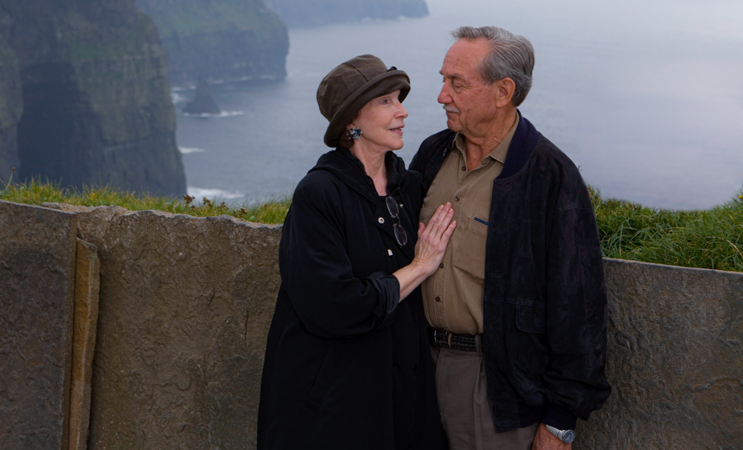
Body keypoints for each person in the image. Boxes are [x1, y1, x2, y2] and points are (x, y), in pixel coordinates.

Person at [410, 26, 611, 450]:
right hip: (419, 371)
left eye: (457, 84)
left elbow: (579, 307)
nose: (442, 96)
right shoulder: (432, 154)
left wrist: (560, 421)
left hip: (498, 389)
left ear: (503, 91)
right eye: (443, 81)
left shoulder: (550, 175)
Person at [258, 54, 457, 450]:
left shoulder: (410, 188)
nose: (402, 111)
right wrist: (419, 267)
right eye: (385, 101)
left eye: (398, 99)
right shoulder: (319, 194)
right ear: (352, 121)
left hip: (402, 394)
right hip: (333, 406)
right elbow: (335, 305)